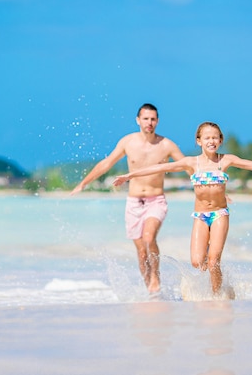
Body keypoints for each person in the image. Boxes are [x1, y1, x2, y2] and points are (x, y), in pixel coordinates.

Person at [113, 121, 252, 297]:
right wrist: (129, 176)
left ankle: (217, 297)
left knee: (214, 261)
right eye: (207, 137)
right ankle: (218, 284)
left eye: (215, 137)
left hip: (220, 214)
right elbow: (157, 168)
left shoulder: (225, 160)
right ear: (199, 141)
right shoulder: (191, 163)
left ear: (220, 140)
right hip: (200, 216)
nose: (211, 141)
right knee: (198, 262)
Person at [70, 103, 184, 295]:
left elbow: (188, 166)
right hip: (133, 203)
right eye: (146, 118)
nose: (149, 122)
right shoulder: (128, 142)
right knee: (141, 254)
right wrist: (84, 183)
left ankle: (156, 277)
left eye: (153, 119)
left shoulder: (166, 145)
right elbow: (107, 163)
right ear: (138, 120)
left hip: (156, 201)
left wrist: (214, 187)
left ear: (157, 121)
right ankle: (152, 292)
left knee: (149, 238)